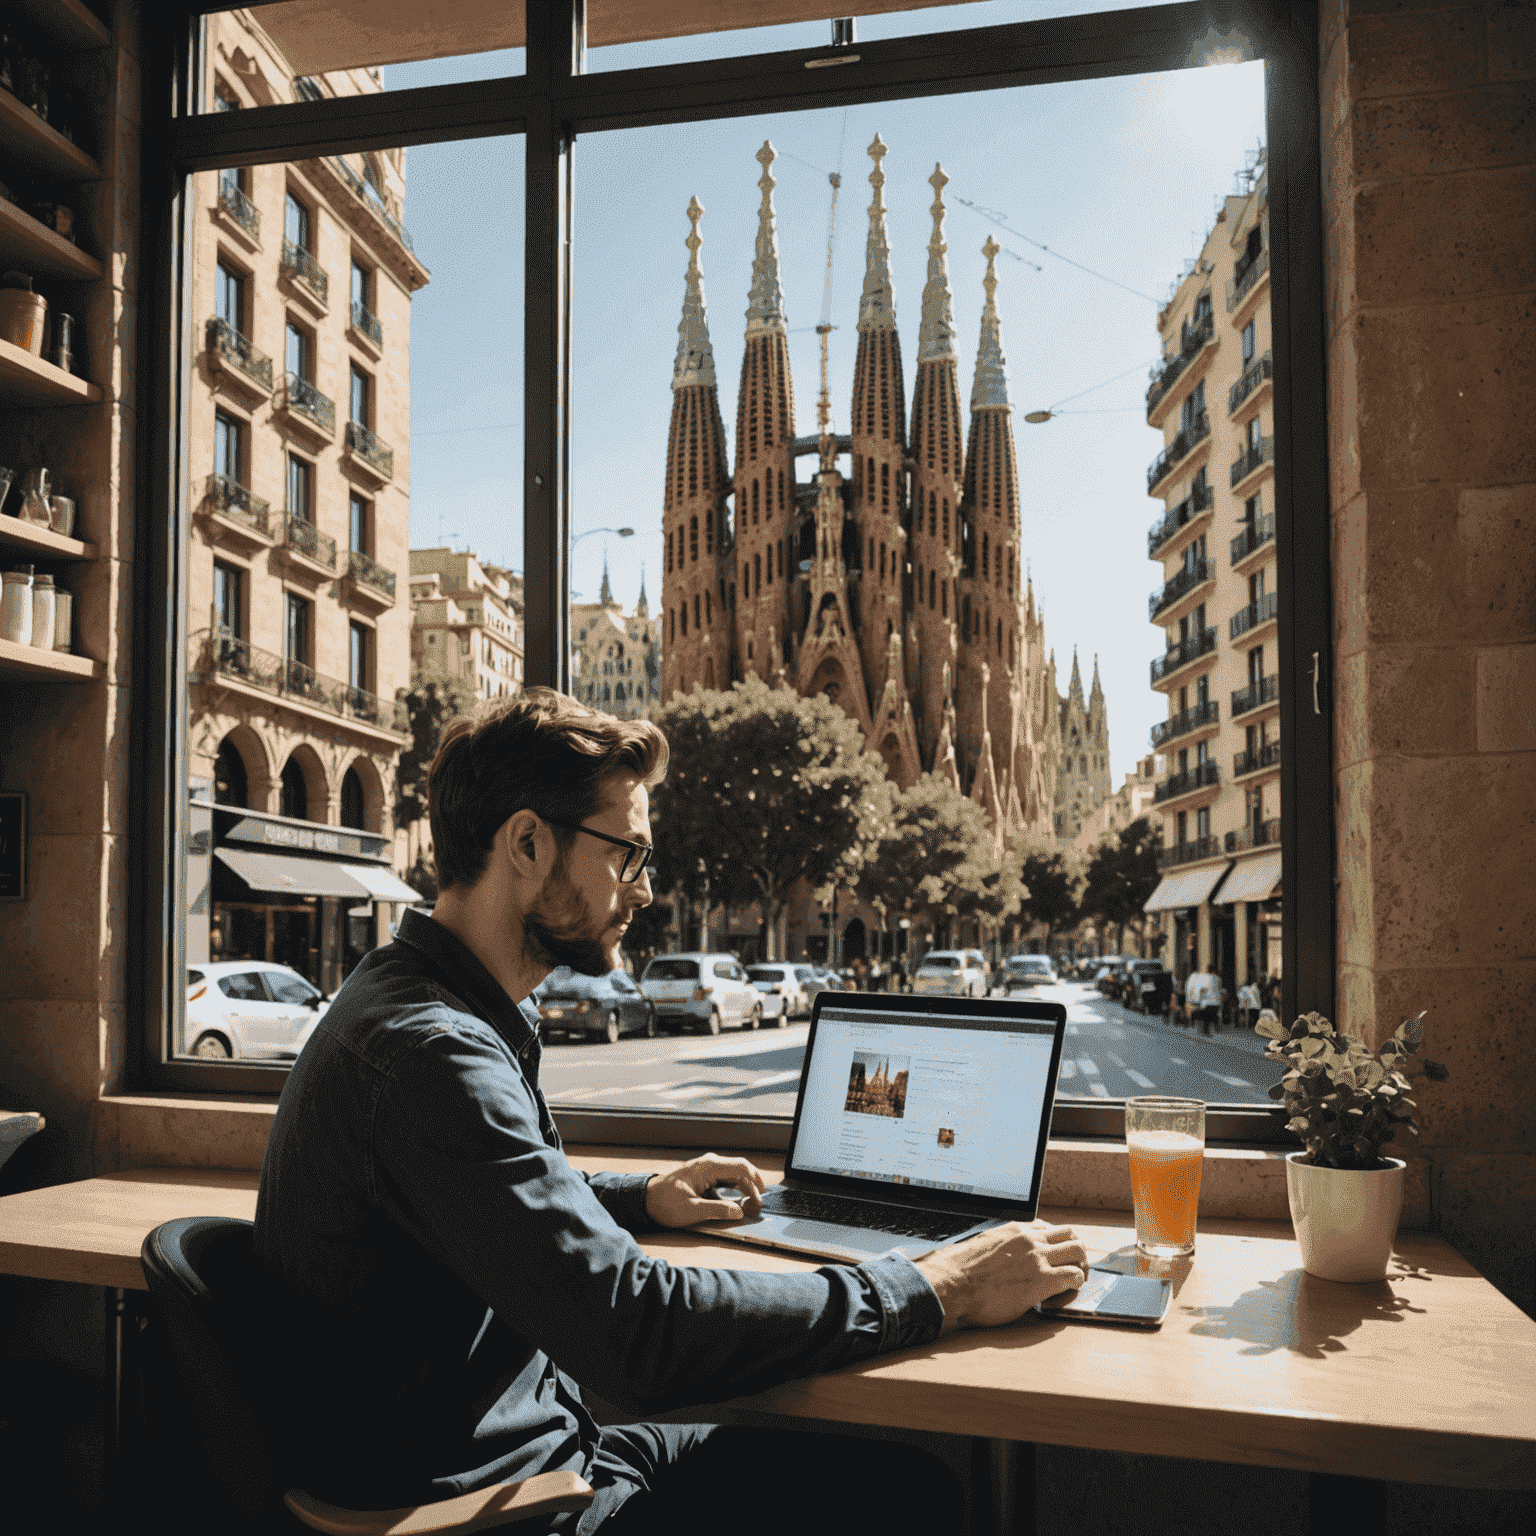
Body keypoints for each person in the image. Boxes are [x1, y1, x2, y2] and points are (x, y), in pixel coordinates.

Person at [255, 690, 1088, 1533]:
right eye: (629, 855)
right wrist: (935, 1285)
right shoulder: (435, 1053)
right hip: (506, 1508)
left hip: (544, 1450)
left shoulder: (407, 997)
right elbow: (639, 1335)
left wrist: (641, 1197)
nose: (645, 891)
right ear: (529, 843)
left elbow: (487, 1199)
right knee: (914, 1498)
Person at [1184, 967, 1223, 1035]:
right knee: (1211, 1015)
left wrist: (1198, 1000)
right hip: (1216, 1004)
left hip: (1207, 1004)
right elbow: (1219, 991)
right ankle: (1211, 1027)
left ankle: (1203, 1029)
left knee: (1198, 1014)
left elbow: (1202, 990)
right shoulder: (1219, 979)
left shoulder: (1206, 978)